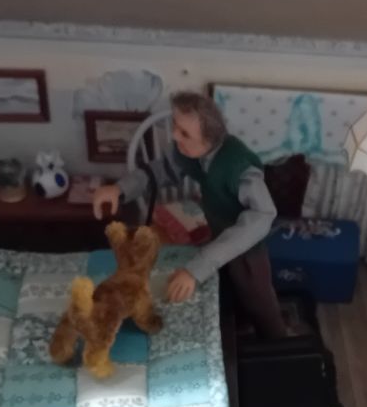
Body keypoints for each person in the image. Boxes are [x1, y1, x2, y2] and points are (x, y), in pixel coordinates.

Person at [91, 91, 287, 339]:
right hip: (218, 237)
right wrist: (120, 189)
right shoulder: (192, 153)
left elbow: (264, 214)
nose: (174, 136)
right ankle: (236, 333)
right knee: (226, 294)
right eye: (175, 126)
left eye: (185, 134)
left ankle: (278, 345)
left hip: (245, 247)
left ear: (209, 138)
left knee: (258, 299)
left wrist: (198, 268)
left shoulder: (239, 166)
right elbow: (160, 170)